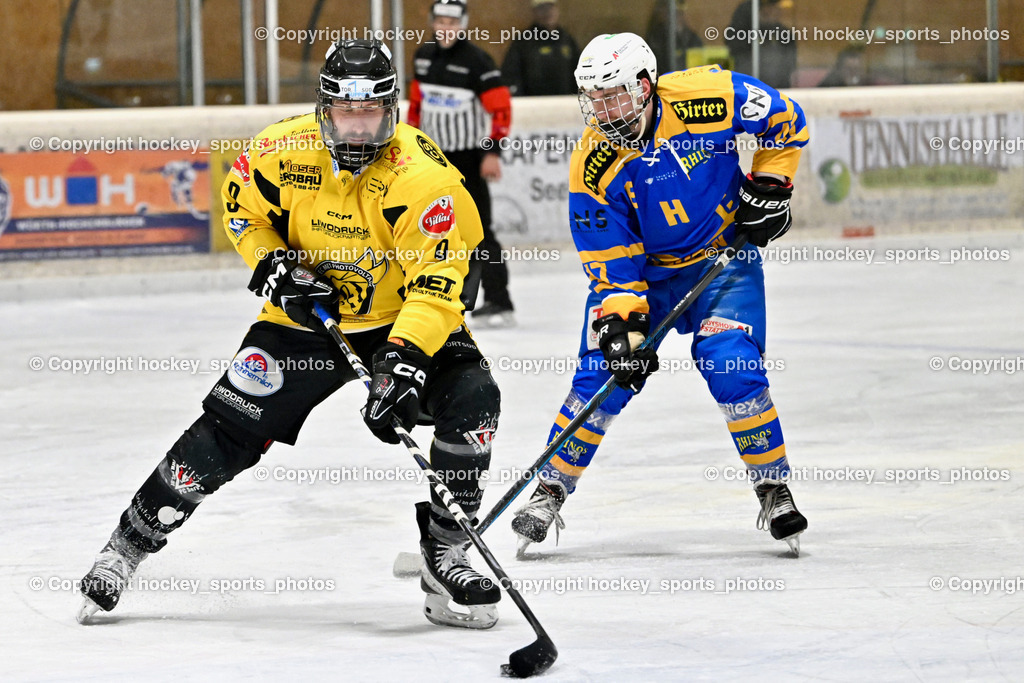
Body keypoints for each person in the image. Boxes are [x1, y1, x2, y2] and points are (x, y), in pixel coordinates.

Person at [78, 39, 504, 630]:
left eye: (372, 114)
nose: (359, 129)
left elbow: (438, 284)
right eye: (347, 114)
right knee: (227, 430)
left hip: (399, 319)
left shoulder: (427, 180)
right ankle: (128, 543)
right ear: (325, 109)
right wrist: (275, 265)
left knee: (474, 399)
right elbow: (241, 209)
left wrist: (402, 361)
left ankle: (446, 547)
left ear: (392, 112)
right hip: (305, 319)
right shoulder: (280, 148)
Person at [511, 32, 809, 556]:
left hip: (723, 262)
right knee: (602, 374)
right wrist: (623, 329)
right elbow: (610, 265)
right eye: (595, 99)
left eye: (616, 96)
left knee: (730, 363)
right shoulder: (593, 165)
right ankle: (550, 489)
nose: (605, 111)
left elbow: (787, 119)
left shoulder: (710, 97)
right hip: (647, 278)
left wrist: (772, 183)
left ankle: (773, 486)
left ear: (647, 86)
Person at [408, 0, 516, 327]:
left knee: (479, 230)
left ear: (463, 24)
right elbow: (416, 106)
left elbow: (501, 109)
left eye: (452, 22)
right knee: (431, 228)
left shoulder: (477, 61)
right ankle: (438, 296)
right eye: (440, 20)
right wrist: (411, 146)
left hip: (468, 158)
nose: (446, 28)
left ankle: (499, 300)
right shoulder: (423, 56)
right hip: (433, 159)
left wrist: (493, 152)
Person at [501, 0, 581, 97]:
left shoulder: (567, 40)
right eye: (542, 8)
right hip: (534, 105)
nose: (547, 12)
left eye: (550, 8)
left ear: (557, 10)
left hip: (566, 103)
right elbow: (510, 75)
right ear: (534, 12)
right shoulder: (524, 41)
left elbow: (579, 71)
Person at [725, 0, 797, 89]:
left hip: (778, 86)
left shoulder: (781, 32)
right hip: (749, 85)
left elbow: (790, 60)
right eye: (771, 8)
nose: (777, 12)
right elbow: (736, 49)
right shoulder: (744, 21)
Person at [644, 0, 703, 75]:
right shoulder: (655, 37)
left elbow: (698, 56)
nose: (677, 17)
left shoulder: (691, 37)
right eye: (675, 13)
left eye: (680, 13)